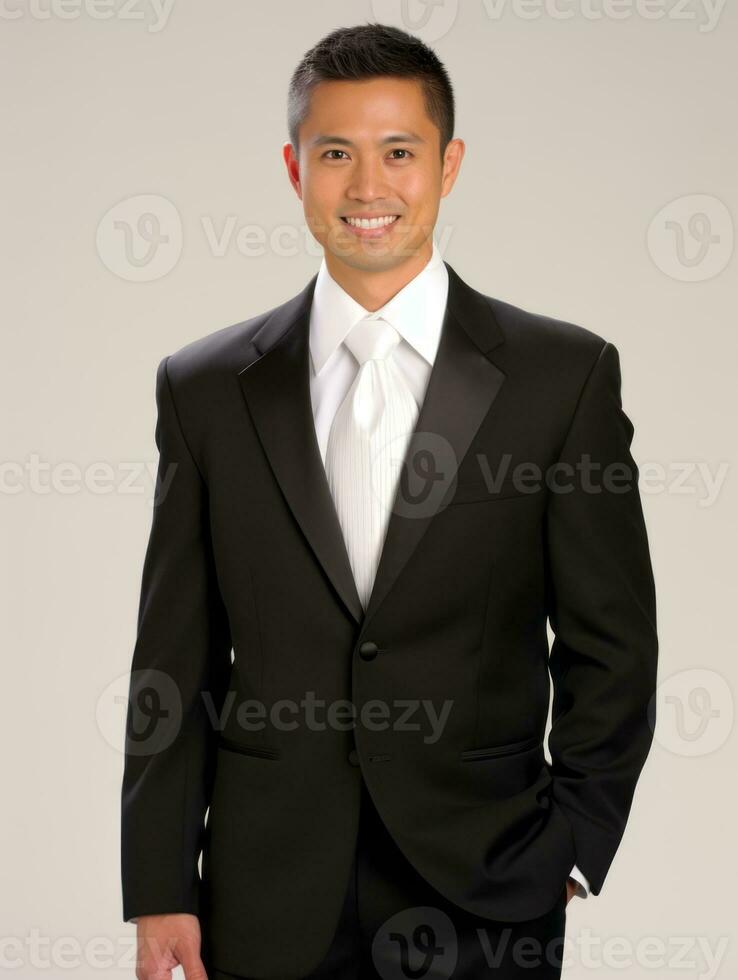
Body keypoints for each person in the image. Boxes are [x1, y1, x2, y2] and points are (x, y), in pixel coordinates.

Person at [121, 22, 658, 980]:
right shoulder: (203, 388)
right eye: (336, 154)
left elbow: (611, 641)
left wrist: (574, 840)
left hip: (487, 881)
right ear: (294, 170)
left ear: (449, 166)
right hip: (265, 885)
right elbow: (174, 653)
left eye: (398, 152)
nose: (368, 188)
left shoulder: (561, 378)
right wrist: (160, 881)